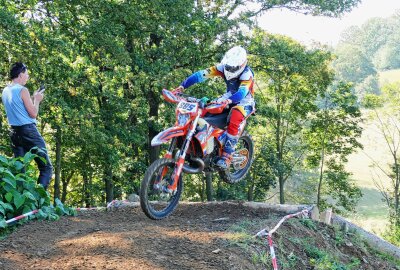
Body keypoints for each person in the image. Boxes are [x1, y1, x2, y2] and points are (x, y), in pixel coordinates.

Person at [174, 46, 255, 169]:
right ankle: (198, 145)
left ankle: (227, 154)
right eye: (228, 66)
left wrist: (229, 100)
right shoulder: (222, 68)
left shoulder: (247, 74)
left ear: (241, 65)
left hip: (245, 100)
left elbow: (242, 92)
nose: (229, 69)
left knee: (236, 115)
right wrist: (182, 86)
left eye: (232, 68)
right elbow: (201, 75)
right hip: (229, 96)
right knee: (204, 110)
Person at [1, 62, 53, 190]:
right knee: (46, 167)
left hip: (14, 133)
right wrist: (37, 100)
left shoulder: (6, 90)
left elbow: (19, 108)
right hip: (28, 132)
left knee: (19, 170)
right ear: (20, 75)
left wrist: (31, 98)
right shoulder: (23, 90)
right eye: (26, 74)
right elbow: (33, 113)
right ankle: (39, 203)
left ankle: (21, 204)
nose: (28, 77)